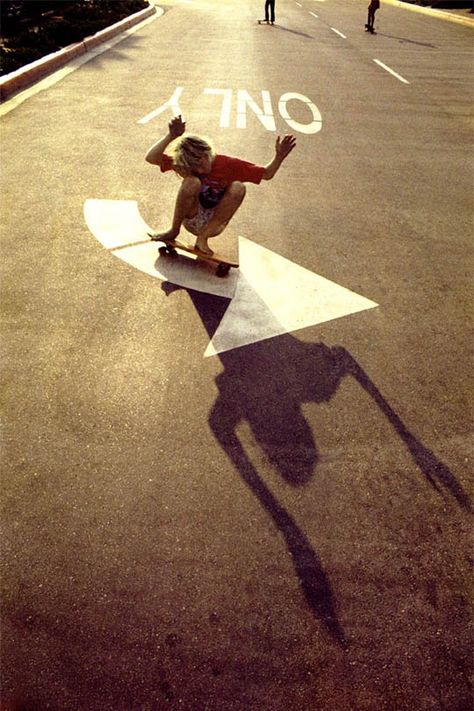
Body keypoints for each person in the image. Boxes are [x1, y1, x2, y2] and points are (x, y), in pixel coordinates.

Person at [145, 115, 296, 255]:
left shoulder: (229, 164)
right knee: (192, 182)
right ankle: (173, 230)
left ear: (207, 153)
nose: (198, 170)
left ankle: (202, 239)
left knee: (239, 187)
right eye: (193, 167)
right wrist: (171, 136)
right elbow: (151, 157)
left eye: (200, 163)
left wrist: (279, 157)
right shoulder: (187, 164)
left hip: (215, 223)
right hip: (192, 216)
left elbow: (267, 174)